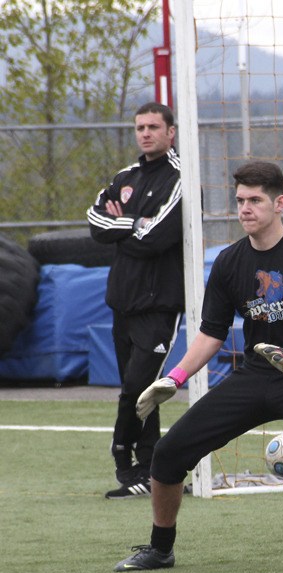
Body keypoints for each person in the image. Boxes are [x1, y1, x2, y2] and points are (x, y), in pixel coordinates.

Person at [113, 160, 283, 572]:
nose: (245, 208)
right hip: (257, 374)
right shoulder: (229, 262)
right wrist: (174, 377)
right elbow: (212, 334)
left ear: (279, 203)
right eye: (240, 200)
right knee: (168, 452)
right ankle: (160, 549)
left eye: (255, 200)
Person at [87, 102, 184, 499]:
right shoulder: (124, 176)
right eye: (140, 127)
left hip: (158, 305)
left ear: (170, 132)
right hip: (122, 302)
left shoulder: (179, 177)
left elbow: (158, 236)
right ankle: (150, 470)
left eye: (153, 127)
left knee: (137, 387)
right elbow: (95, 222)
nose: (145, 133)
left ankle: (124, 461)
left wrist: (123, 225)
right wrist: (133, 222)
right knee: (140, 392)